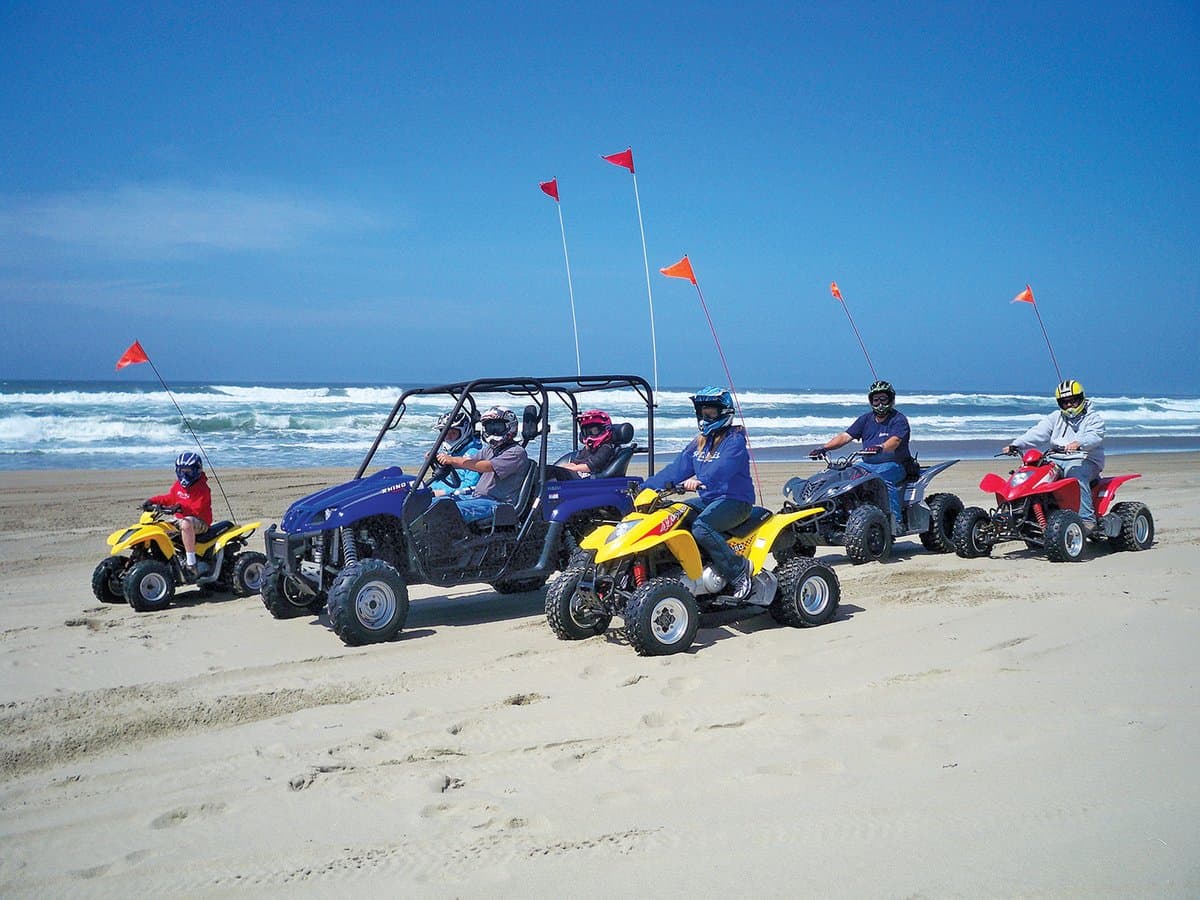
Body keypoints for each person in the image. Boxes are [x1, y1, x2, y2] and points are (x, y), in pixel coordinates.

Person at [642, 387, 756, 600]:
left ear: (723, 412)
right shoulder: (700, 442)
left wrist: (701, 480)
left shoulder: (735, 440)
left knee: (702, 527)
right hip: (710, 500)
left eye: (710, 413)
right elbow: (675, 470)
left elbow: (724, 467)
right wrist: (645, 488)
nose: (705, 417)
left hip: (736, 501)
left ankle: (739, 571)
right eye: (702, 412)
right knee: (673, 513)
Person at [1002, 379, 1105, 531]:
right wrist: (1016, 444)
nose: (1069, 405)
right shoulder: (1055, 417)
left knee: (1075, 476)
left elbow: (1094, 436)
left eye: (1073, 401)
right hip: (1056, 458)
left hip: (1085, 459)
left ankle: (1087, 519)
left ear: (1081, 399)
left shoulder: (1093, 418)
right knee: (1030, 473)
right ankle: (1018, 513)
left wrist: (1079, 443)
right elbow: (1037, 433)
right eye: (1065, 402)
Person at [810, 380, 913, 527]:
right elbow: (845, 437)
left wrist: (880, 447)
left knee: (883, 480)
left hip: (895, 465)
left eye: (883, 399)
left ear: (890, 399)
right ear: (871, 401)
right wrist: (824, 448)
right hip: (867, 464)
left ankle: (895, 522)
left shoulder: (899, 419)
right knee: (843, 479)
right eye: (876, 400)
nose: (880, 404)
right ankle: (847, 515)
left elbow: (895, 442)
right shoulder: (865, 419)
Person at [435, 406, 529, 524]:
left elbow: (485, 466)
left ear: (509, 426)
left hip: (498, 503)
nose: (493, 431)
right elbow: (467, 461)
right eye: (490, 427)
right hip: (477, 498)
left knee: (446, 511)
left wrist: (453, 460)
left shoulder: (516, 452)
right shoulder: (490, 450)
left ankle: (445, 542)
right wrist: (437, 459)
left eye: (497, 427)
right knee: (433, 503)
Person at [145, 451, 213, 578]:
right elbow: (169, 498)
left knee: (186, 524)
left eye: (188, 471)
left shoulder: (202, 488)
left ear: (197, 470)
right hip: (181, 519)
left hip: (200, 521)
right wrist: (152, 501)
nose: (184, 475)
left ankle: (191, 563)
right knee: (157, 528)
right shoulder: (178, 485)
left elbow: (197, 507)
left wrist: (179, 507)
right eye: (181, 471)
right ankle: (160, 560)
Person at [428, 409, 482, 495]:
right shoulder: (454, 451)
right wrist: (435, 461)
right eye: (445, 433)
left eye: (453, 433)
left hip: (455, 498)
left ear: (464, 432)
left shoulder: (473, 453)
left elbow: (471, 484)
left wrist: (442, 492)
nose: (448, 437)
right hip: (437, 488)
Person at [558, 409, 617, 477]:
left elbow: (589, 467)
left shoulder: (606, 448)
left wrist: (568, 469)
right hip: (580, 476)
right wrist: (560, 468)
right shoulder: (590, 448)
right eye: (587, 432)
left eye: (594, 431)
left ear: (604, 429)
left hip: (588, 480)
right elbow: (575, 463)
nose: (590, 435)